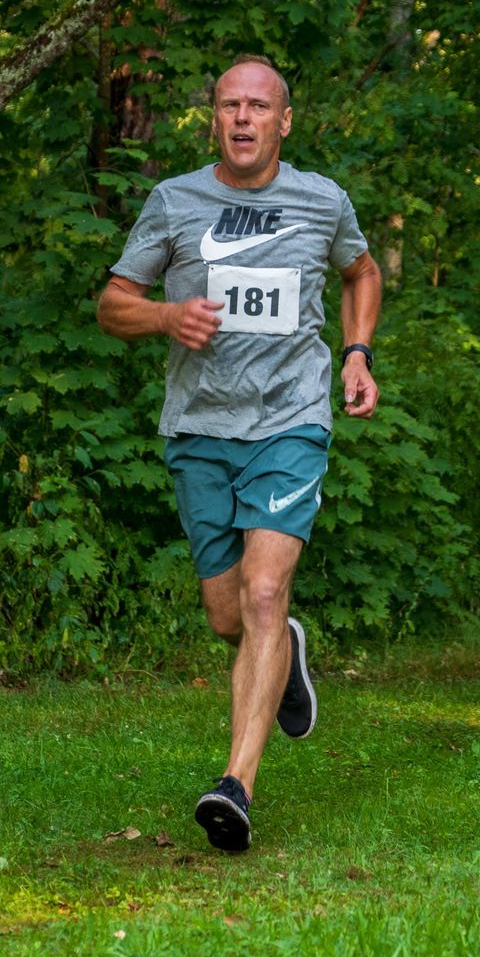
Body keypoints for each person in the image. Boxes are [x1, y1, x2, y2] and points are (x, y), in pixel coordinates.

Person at [96, 55, 382, 852]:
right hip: (199, 429)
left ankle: (236, 786)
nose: (244, 118)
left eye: (260, 106)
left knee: (263, 592)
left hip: (290, 422)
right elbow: (113, 303)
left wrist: (357, 354)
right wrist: (163, 318)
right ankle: (284, 653)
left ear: (284, 121)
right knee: (231, 614)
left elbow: (362, 272)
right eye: (230, 105)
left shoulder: (321, 200)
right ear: (214, 118)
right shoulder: (175, 201)